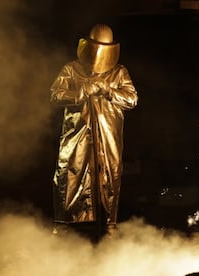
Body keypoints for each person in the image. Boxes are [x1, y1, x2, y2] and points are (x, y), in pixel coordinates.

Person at [50, 24, 138, 235]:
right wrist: (79, 93)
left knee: (109, 175)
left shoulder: (118, 72)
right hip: (76, 137)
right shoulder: (72, 69)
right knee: (69, 174)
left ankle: (109, 224)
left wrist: (109, 90)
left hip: (107, 138)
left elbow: (132, 98)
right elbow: (55, 95)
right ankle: (63, 224)